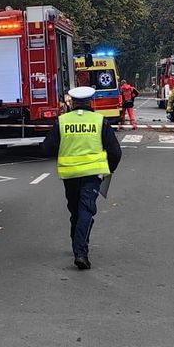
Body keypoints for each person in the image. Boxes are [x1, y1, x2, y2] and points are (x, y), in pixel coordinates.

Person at [43, 85, 122, 269]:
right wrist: (109, 169)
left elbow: (47, 148)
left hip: (69, 175)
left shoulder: (62, 121)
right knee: (85, 210)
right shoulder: (100, 121)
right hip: (93, 175)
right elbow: (115, 151)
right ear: (90, 101)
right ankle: (80, 253)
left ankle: (77, 245)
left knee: (75, 210)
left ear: (72, 102)